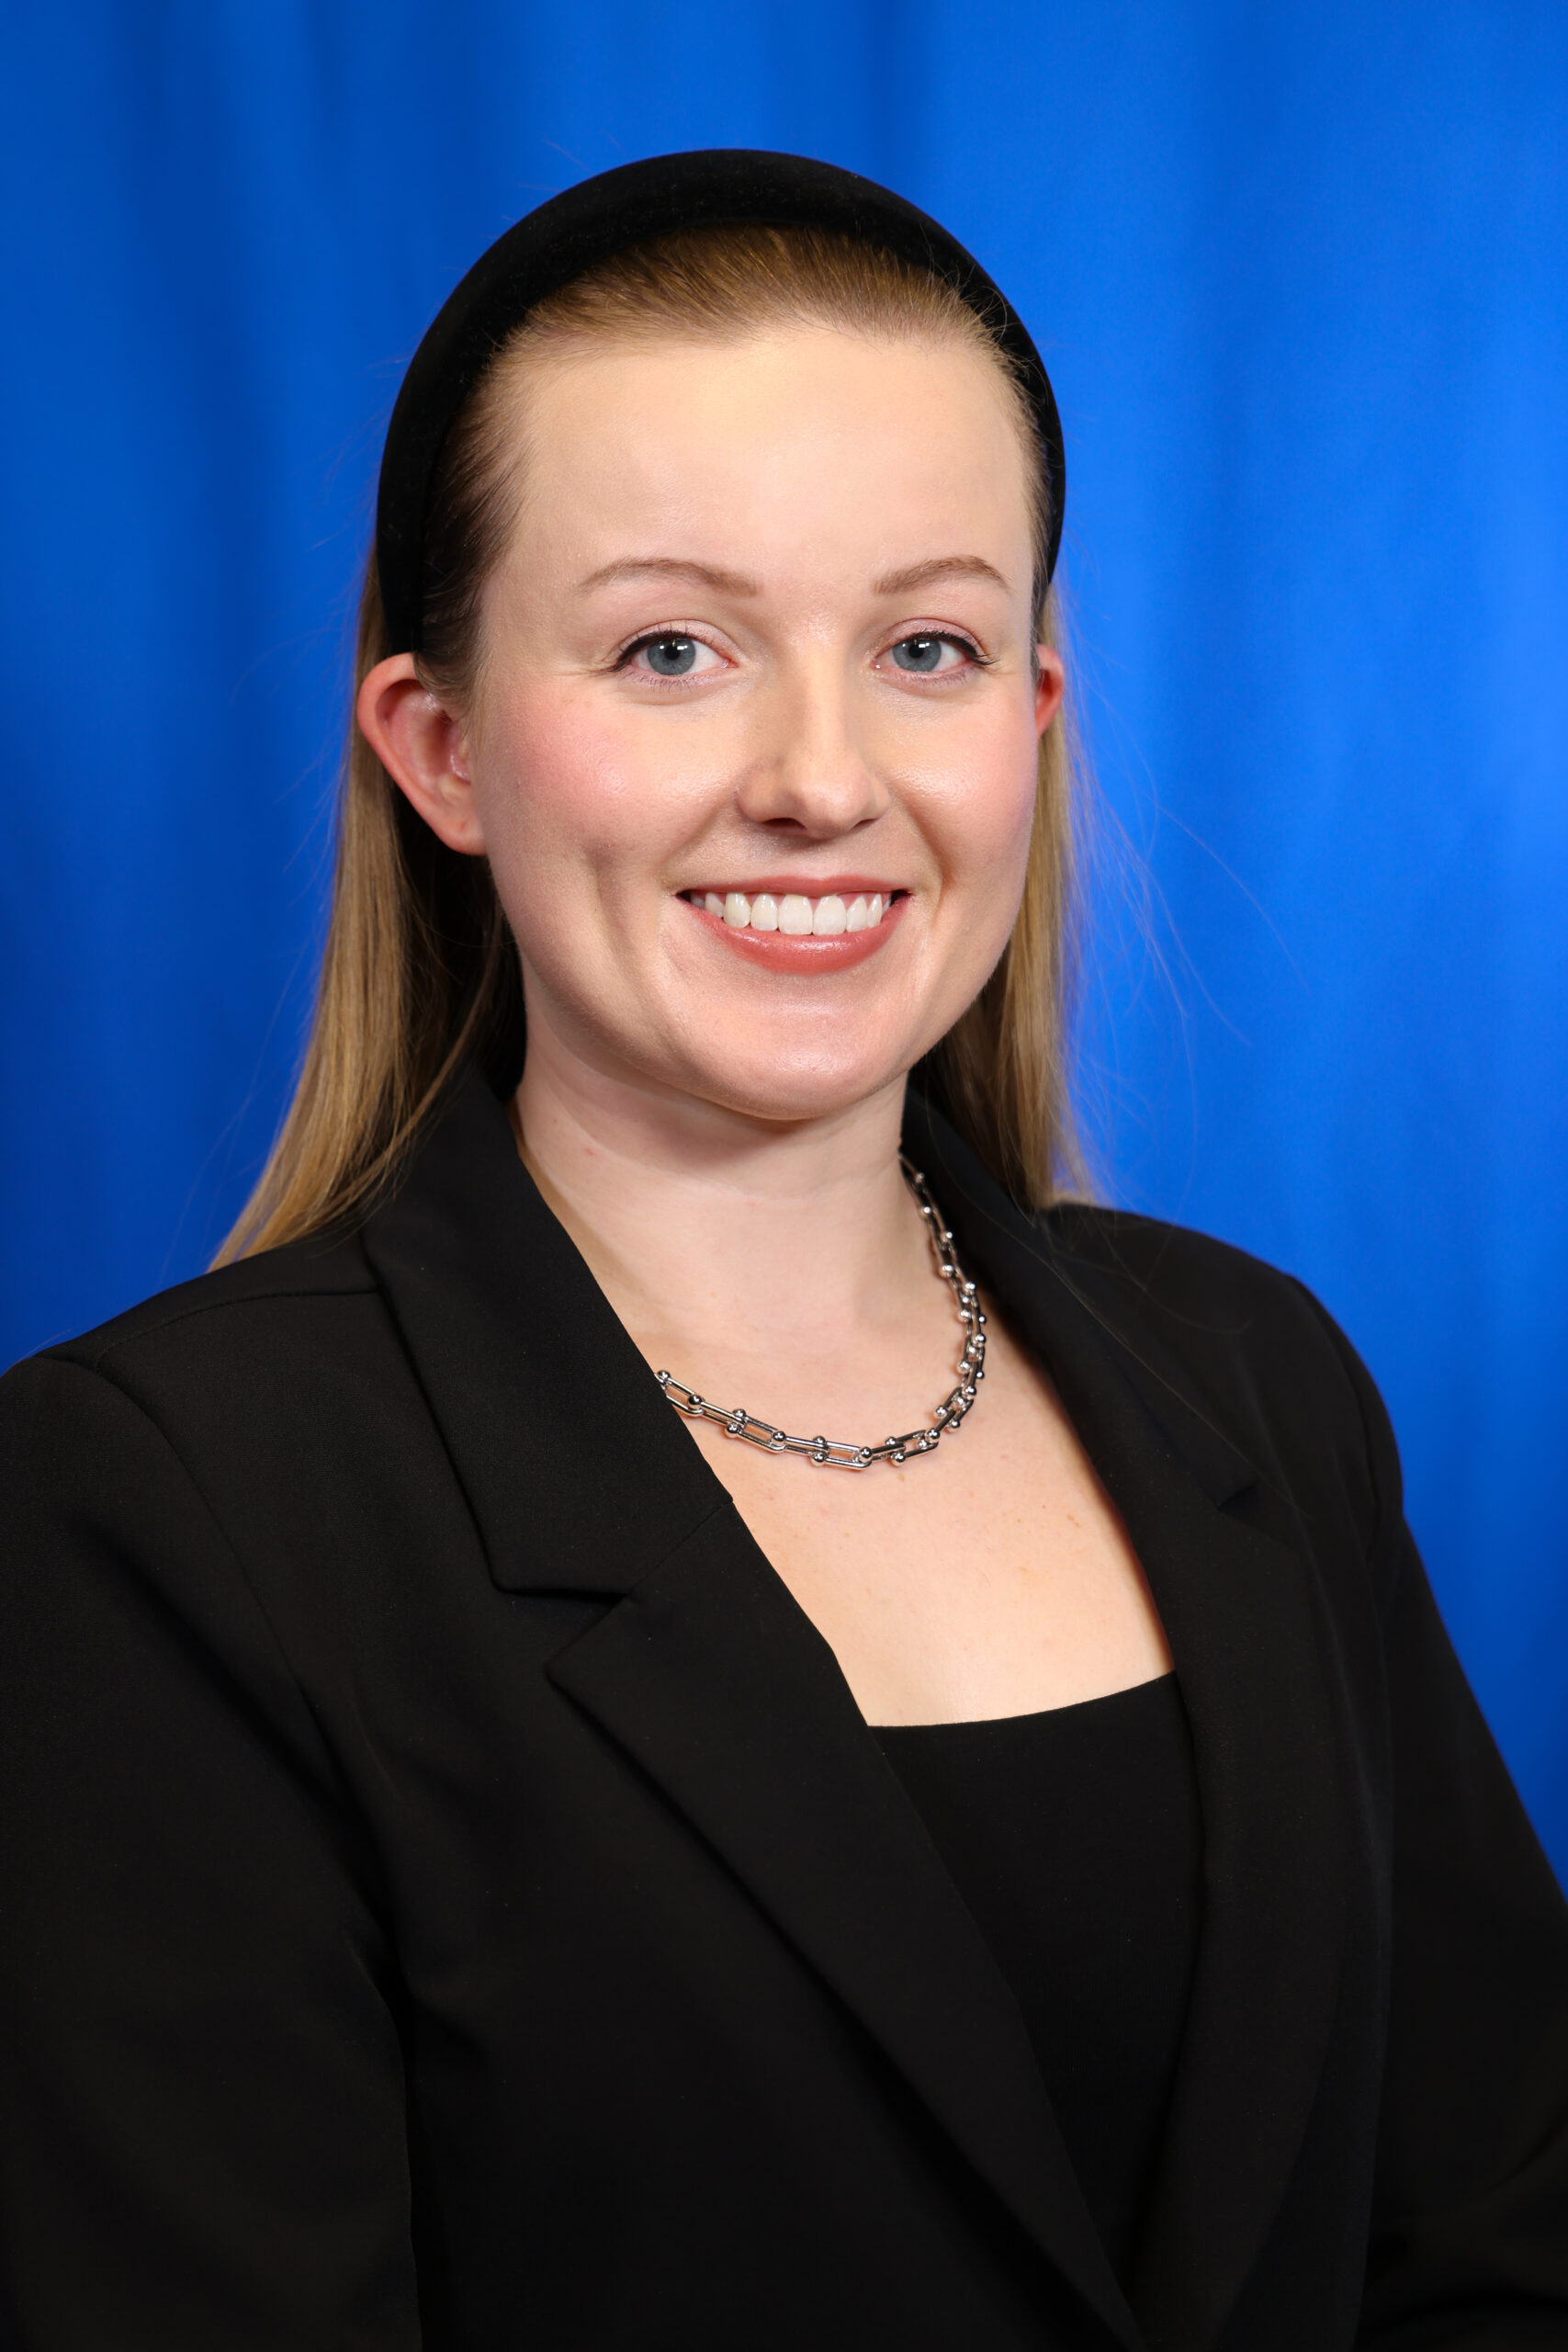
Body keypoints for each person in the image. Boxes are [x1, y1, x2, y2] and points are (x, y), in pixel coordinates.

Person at [1, 150, 1564, 2352]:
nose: (821, 778)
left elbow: (1498, 2233)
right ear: (439, 751)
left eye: (920, 644)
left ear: (1027, 711)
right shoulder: (156, 1509)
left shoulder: (1259, 1385)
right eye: (669, 648)